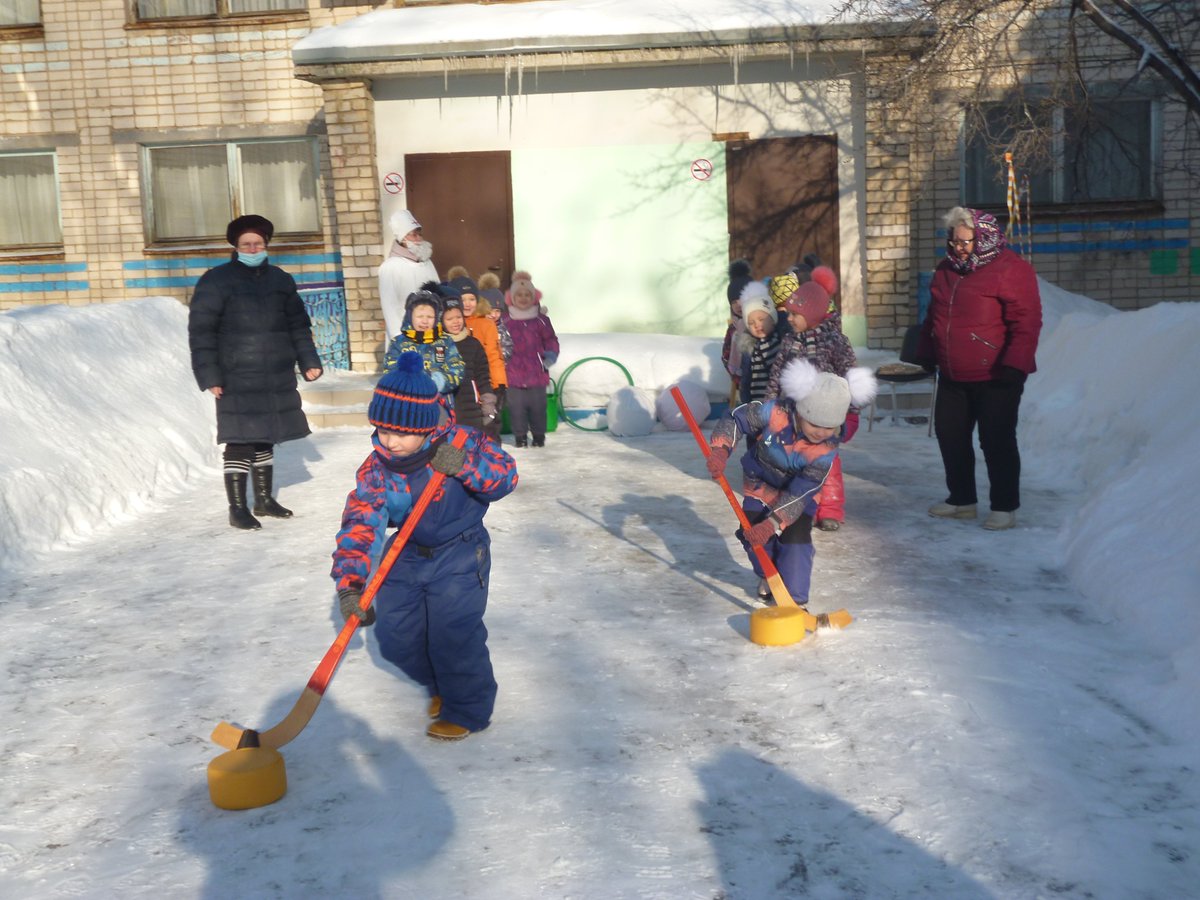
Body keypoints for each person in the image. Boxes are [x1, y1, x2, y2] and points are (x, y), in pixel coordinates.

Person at [331, 352, 518, 741]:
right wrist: (351, 583)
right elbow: (361, 521)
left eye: (400, 432)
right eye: (382, 430)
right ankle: (439, 684)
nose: (390, 441)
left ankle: (467, 709)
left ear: (425, 425)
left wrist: (466, 465)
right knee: (397, 638)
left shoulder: (463, 442)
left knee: (454, 634)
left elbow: (505, 477)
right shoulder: (377, 468)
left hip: (461, 552)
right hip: (406, 552)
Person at [188, 214, 323, 531]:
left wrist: (309, 361)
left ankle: (263, 499)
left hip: (275, 373)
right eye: (247, 244)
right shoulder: (215, 281)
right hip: (236, 376)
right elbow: (201, 332)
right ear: (236, 246)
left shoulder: (280, 280)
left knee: (266, 436)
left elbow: (298, 326)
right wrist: (211, 376)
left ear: (266, 245)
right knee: (239, 439)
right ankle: (237, 508)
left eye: (258, 243)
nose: (253, 248)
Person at [706, 359, 877, 605]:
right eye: (815, 423)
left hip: (798, 498)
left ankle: (795, 601)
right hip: (759, 487)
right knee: (754, 536)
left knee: (796, 542)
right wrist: (721, 448)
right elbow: (737, 418)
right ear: (800, 410)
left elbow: (801, 491)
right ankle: (769, 575)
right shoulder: (774, 412)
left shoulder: (825, 450)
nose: (821, 432)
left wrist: (774, 522)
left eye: (829, 427)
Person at [913, 206, 1042, 531]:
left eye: (966, 241)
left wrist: (1016, 364)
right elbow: (934, 318)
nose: (959, 247)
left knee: (995, 439)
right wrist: (927, 352)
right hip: (953, 374)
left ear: (984, 238)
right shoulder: (946, 270)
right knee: (950, 434)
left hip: (997, 374)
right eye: (955, 241)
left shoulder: (1011, 269)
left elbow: (1027, 323)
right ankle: (962, 500)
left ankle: (1004, 506)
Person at [765, 265, 858, 532]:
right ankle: (802, 506)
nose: (789, 319)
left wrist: (850, 413)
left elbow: (850, 376)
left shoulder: (835, 341)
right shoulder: (788, 341)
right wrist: (770, 406)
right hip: (795, 414)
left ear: (813, 313)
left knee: (827, 462)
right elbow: (777, 376)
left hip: (826, 416)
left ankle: (830, 508)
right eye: (788, 313)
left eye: (795, 314)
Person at [383, 289, 466, 414]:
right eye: (420, 316)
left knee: (439, 432)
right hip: (408, 404)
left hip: (439, 403)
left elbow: (457, 368)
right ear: (410, 317)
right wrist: (411, 383)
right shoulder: (398, 343)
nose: (425, 321)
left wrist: (438, 381)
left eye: (430, 317)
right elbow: (390, 372)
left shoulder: (444, 341)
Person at [503, 270, 559, 448]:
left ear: (534, 297)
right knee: (516, 409)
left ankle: (538, 436)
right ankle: (520, 437)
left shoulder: (541, 320)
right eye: (519, 295)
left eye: (528, 294)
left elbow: (551, 340)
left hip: (537, 372)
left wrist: (549, 356)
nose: (523, 298)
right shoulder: (506, 321)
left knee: (537, 408)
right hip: (513, 373)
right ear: (512, 298)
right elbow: (499, 342)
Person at [452, 274, 507, 440]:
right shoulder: (454, 322)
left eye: (471, 299)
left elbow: (493, 354)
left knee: (490, 424)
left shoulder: (485, 323)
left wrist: (499, 383)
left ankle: (492, 458)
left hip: (489, 383)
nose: (467, 304)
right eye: (463, 299)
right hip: (467, 386)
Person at [379, 209, 439, 342]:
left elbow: (437, 296)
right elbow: (390, 306)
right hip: (405, 336)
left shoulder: (427, 263)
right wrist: (399, 337)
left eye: (419, 234)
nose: (418, 239)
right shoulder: (390, 267)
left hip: (430, 333)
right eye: (413, 235)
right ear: (402, 238)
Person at [441, 294, 497, 430]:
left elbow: (483, 376)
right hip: (446, 410)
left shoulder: (473, 344)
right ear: (441, 321)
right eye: (449, 319)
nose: (455, 322)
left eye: (458, 317)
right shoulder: (438, 346)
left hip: (471, 409)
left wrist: (488, 404)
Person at [736, 285, 789, 405]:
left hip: (774, 403)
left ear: (772, 319)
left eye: (761, 319)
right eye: (751, 323)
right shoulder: (751, 347)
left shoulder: (776, 342)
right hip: (756, 402)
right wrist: (746, 400)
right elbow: (746, 378)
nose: (757, 325)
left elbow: (779, 375)